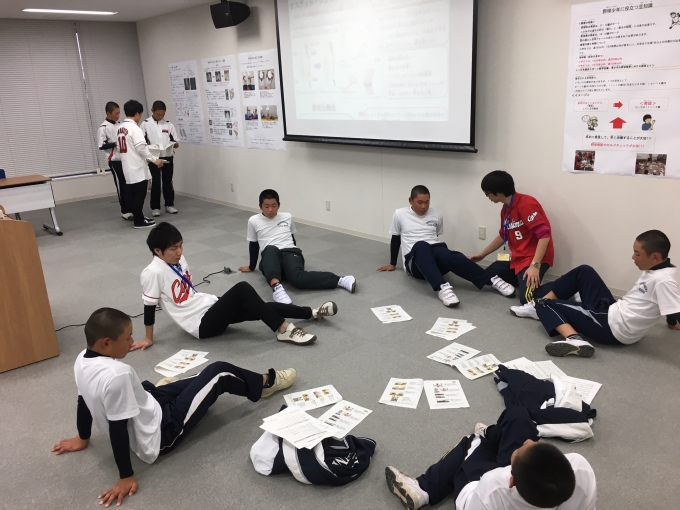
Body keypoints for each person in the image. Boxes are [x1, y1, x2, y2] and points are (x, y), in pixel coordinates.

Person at [51, 308, 297, 508]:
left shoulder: (82, 359)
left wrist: (83, 437)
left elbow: (83, 400)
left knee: (195, 379)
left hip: (149, 402)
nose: (131, 342)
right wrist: (126, 476)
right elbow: (117, 428)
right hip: (161, 432)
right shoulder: (118, 375)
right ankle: (265, 383)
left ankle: (207, 386)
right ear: (106, 343)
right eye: (127, 338)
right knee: (219, 372)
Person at [133, 222, 335, 351]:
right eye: (174, 248)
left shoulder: (179, 259)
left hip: (207, 305)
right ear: (158, 251)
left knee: (260, 307)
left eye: (180, 245)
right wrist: (148, 338)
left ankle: (311, 312)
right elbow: (149, 308)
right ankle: (284, 329)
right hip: (201, 324)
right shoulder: (153, 272)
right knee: (242, 289)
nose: (179, 252)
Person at [385, 407, 597, 510]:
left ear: (512, 480)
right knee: (518, 415)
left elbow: (486, 487)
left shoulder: (493, 485)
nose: (528, 441)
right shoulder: (580, 468)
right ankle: (492, 433)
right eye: (534, 443)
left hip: (473, 491)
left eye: (525, 447)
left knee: (474, 442)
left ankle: (423, 489)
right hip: (520, 482)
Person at [511, 230, 680, 358]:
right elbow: (669, 305)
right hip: (614, 311)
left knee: (543, 303)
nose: (633, 257)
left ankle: (575, 339)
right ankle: (540, 310)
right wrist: (672, 323)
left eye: (637, 253)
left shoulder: (663, 280)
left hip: (612, 328)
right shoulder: (658, 269)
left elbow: (675, 308)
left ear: (655, 257)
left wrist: (675, 320)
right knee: (584, 271)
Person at [378, 185, 515, 307]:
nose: (424, 206)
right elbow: (396, 238)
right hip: (415, 264)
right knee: (422, 245)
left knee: (446, 253)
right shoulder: (400, 214)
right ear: (410, 201)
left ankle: (491, 280)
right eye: (420, 202)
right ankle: (442, 288)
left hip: (435, 259)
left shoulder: (436, 214)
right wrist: (392, 263)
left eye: (427, 202)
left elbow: (435, 236)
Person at [239, 189, 356, 304]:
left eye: (274, 206)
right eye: (266, 206)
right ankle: (277, 288)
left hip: (289, 251)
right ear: (260, 206)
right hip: (270, 257)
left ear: (279, 205)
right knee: (270, 248)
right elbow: (253, 244)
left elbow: (291, 238)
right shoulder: (253, 220)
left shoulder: (287, 217)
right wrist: (251, 266)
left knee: (297, 279)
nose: (270, 209)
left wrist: (293, 260)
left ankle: (341, 280)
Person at [470, 171, 555, 309]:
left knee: (527, 299)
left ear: (499, 192)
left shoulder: (526, 204)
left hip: (534, 259)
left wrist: (535, 266)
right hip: (517, 259)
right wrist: (482, 254)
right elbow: (503, 235)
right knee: (487, 275)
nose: (487, 196)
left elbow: (544, 235)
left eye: (487, 193)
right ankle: (524, 280)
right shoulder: (505, 209)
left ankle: (569, 285)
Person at [117, 100, 164, 229]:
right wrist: (155, 160)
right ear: (137, 113)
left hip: (127, 166)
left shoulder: (120, 128)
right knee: (139, 195)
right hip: (137, 167)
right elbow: (141, 148)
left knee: (134, 194)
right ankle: (138, 221)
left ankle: (140, 216)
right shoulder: (134, 128)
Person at [141, 100, 179, 217]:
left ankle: (169, 205)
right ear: (152, 111)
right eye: (158, 114)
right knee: (156, 182)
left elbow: (176, 142)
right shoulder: (145, 124)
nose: (160, 116)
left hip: (168, 156)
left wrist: (174, 144)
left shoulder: (168, 124)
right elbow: (142, 142)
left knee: (168, 181)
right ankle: (155, 207)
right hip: (154, 157)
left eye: (163, 114)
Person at [97, 102, 132, 220]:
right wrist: (115, 143)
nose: (118, 115)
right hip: (115, 160)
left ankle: (130, 208)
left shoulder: (120, 125)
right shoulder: (103, 128)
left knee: (128, 183)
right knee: (121, 184)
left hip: (125, 158)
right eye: (116, 113)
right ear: (108, 113)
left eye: (119, 113)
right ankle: (124, 211)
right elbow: (101, 145)